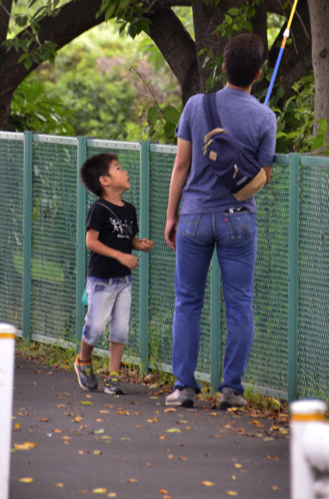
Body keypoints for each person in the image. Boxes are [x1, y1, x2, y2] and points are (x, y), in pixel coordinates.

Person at [164, 33, 277, 409]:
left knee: (188, 303)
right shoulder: (265, 116)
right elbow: (262, 176)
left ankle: (183, 387)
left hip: (194, 216)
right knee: (240, 304)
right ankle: (231, 389)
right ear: (259, 74)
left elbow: (181, 164)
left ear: (224, 66)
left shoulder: (197, 106)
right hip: (239, 222)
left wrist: (171, 215)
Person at [75, 152, 153, 395]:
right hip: (101, 280)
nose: (125, 172)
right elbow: (91, 242)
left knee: (120, 329)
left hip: (124, 281)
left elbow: (128, 241)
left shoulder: (129, 210)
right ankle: (83, 362)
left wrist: (140, 245)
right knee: (96, 327)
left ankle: (113, 375)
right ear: (104, 181)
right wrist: (120, 256)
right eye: (118, 168)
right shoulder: (98, 209)